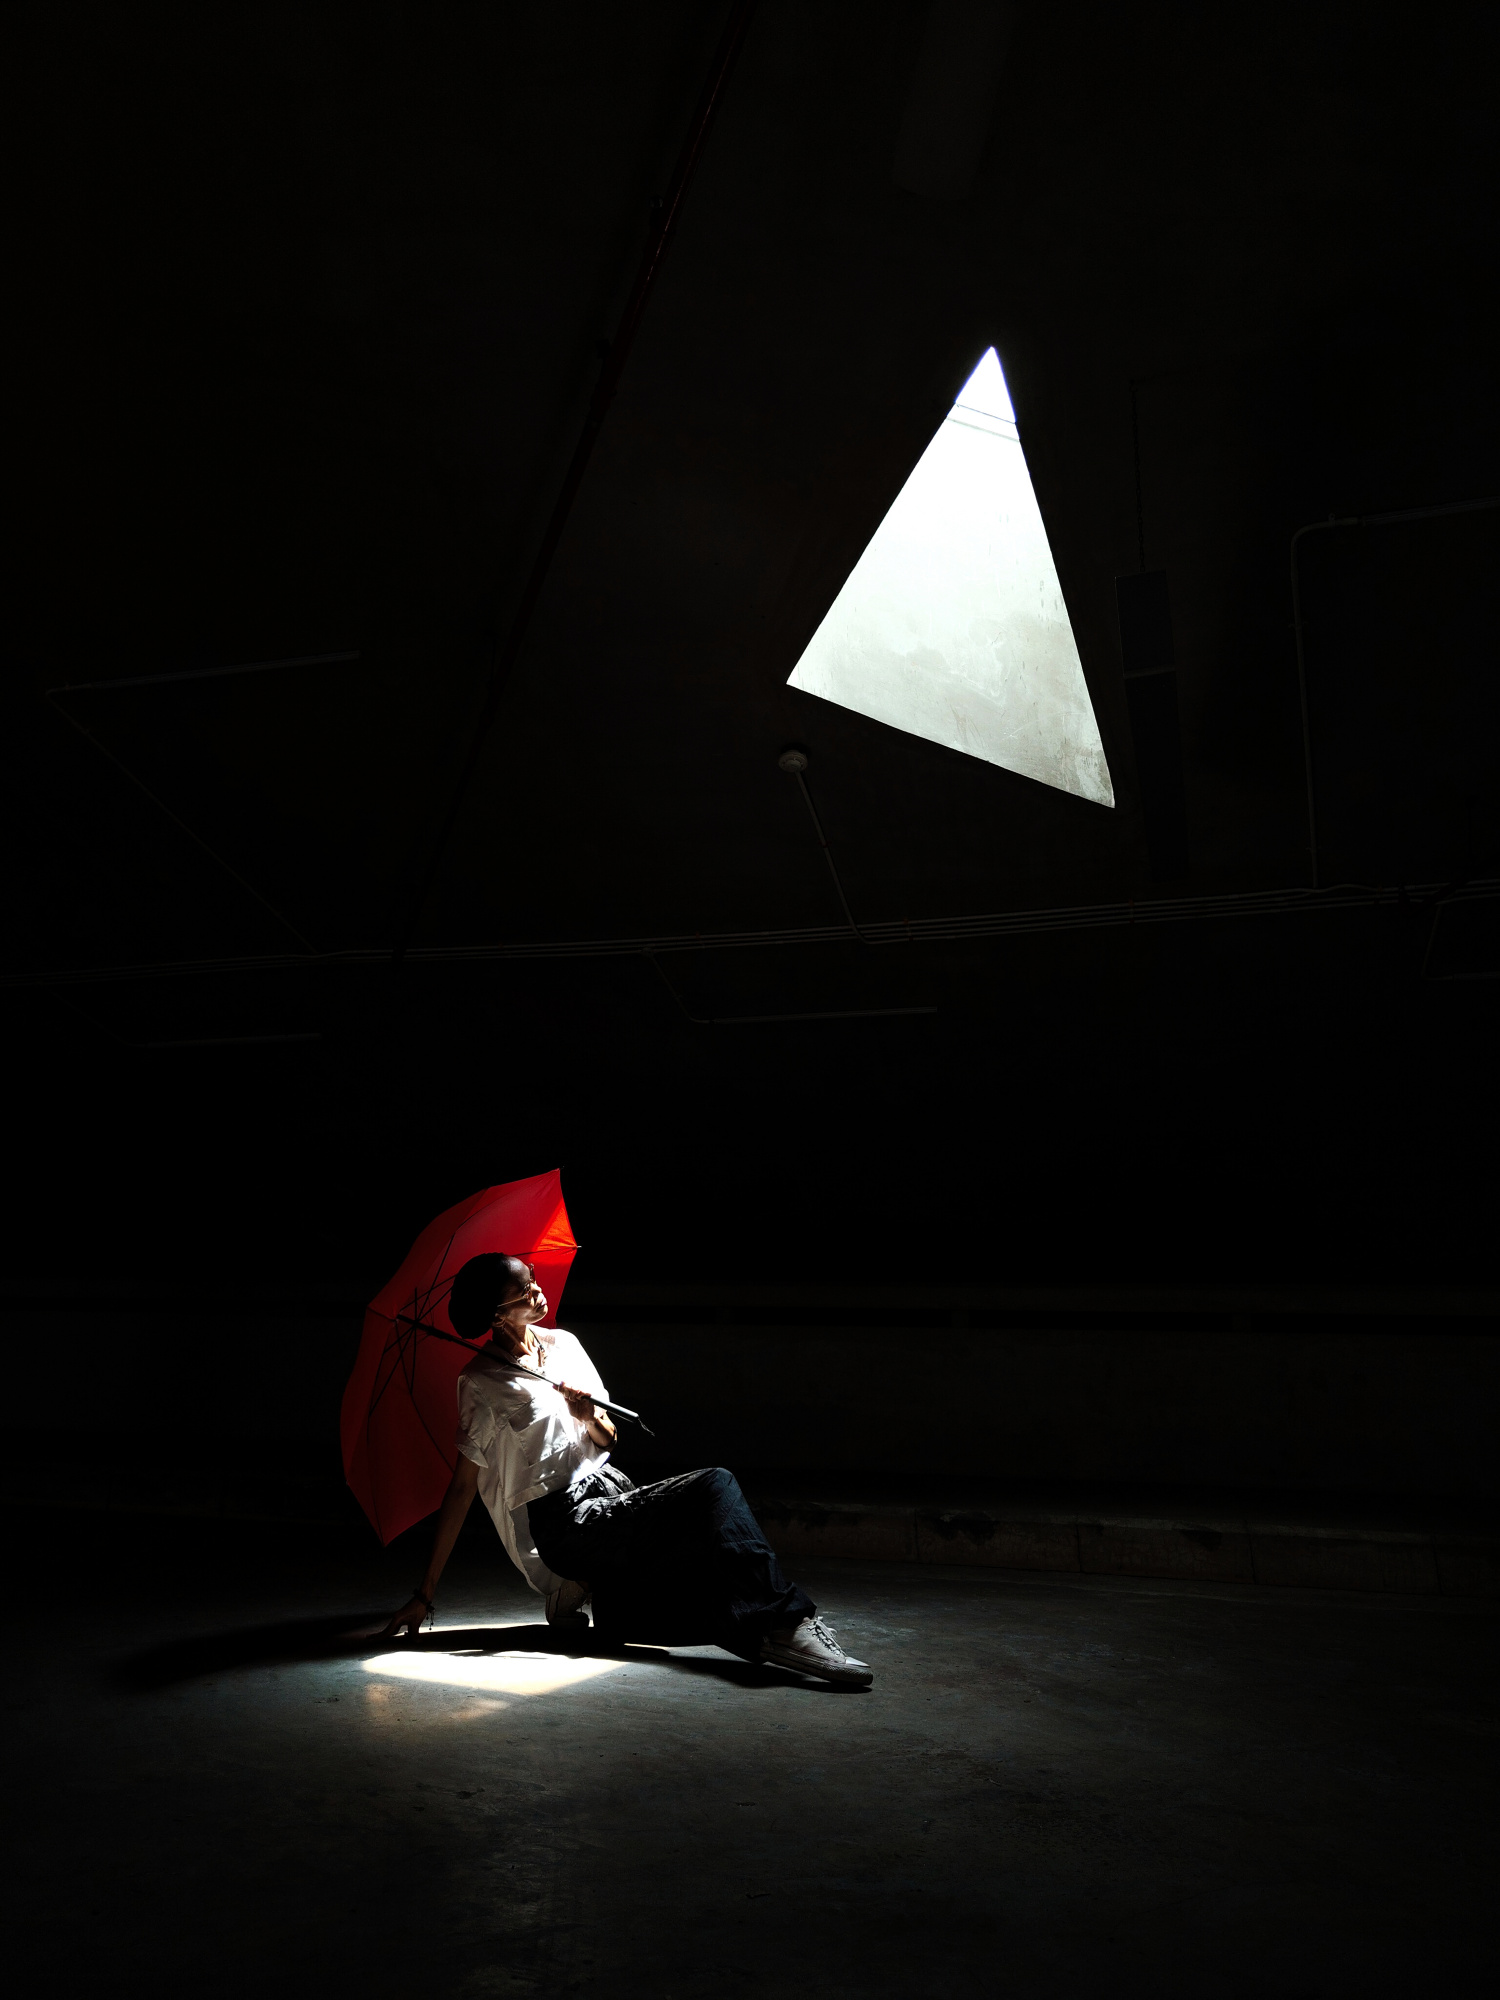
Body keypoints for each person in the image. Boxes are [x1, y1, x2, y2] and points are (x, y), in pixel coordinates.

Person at [382, 1252, 872, 1688]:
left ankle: (761, 1636)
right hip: (566, 1523)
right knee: (714, 1485)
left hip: (612, 1492)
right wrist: (424, 1595)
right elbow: (463, 1488)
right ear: (496, 1314)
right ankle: (787, 1622)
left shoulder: (564, 1344)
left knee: (642, 1609)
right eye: (524, 1291)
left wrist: (587, 1415)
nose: (538, 1291)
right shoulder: (481, 1380)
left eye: (533, 1278)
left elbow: (609, 1439)